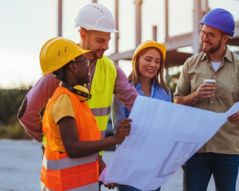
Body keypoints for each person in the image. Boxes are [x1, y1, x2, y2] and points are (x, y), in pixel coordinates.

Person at [17, 2, 137, 142]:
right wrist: (50, 140)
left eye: (108, 40)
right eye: (100, 40)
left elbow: (135, 102)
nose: (106, 46)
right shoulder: (62, 64)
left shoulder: (111, 69)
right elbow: (27, 113)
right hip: (63, 159)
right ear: (83, 34)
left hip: (93, 156)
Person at [174, 8, 239, 191]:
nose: (204, 37)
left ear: (225, 38)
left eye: (211, 35)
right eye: (203, 32)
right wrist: (195, 95)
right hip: (195, 148)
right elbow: (177, 101)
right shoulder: (190, 64)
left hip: (227, 148)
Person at [38, 37, 131, 191]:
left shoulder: (75, 98)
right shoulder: (64, 101)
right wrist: (114, 139)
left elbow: (86, 142)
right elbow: (73, 147)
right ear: (73, 68)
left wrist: (101, 168)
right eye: (84, 61)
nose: (88, 65)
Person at [115, 40, 172, 191]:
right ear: (137, 60)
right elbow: (118, 128)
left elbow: (167, 127)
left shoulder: (165, 93)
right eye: (148, 59)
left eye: (157, 61)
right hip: (129, 166)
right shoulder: (123, 90)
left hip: (153, 166)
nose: (153, 64)